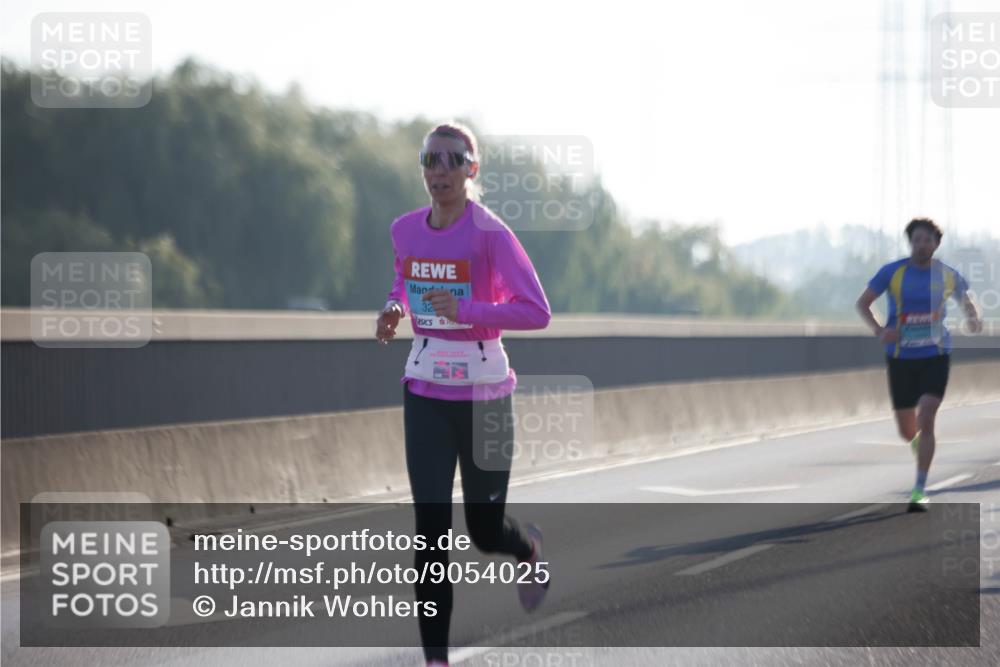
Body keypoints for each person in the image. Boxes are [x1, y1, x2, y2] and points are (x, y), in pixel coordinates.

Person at [375, 122, 552, 666]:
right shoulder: (405, 229)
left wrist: (469, 311)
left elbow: (537, 312)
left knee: (483, 528)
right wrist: (395, 308)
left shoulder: (491, 234)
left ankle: (526, 549)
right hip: (425, 391)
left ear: (472, 170)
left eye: (453, 160)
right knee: (430, 533)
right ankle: (436, 660)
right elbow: (406, 280)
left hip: (486, 396)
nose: (440, 170)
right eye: (431, 160)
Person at [856, 217, 981, 512]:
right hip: (900, 357)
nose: (922, 244)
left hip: (935, 355)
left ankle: (919, 488)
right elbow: (863, 303)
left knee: (927, 414)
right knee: (906, 430)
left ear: (936, 244)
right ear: (910, 242)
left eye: (927, 240)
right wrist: (879, 330)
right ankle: (919, 444)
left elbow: (967, 299)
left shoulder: (947, 275)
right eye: (917, 239)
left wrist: (973, 317)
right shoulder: (893, 272)